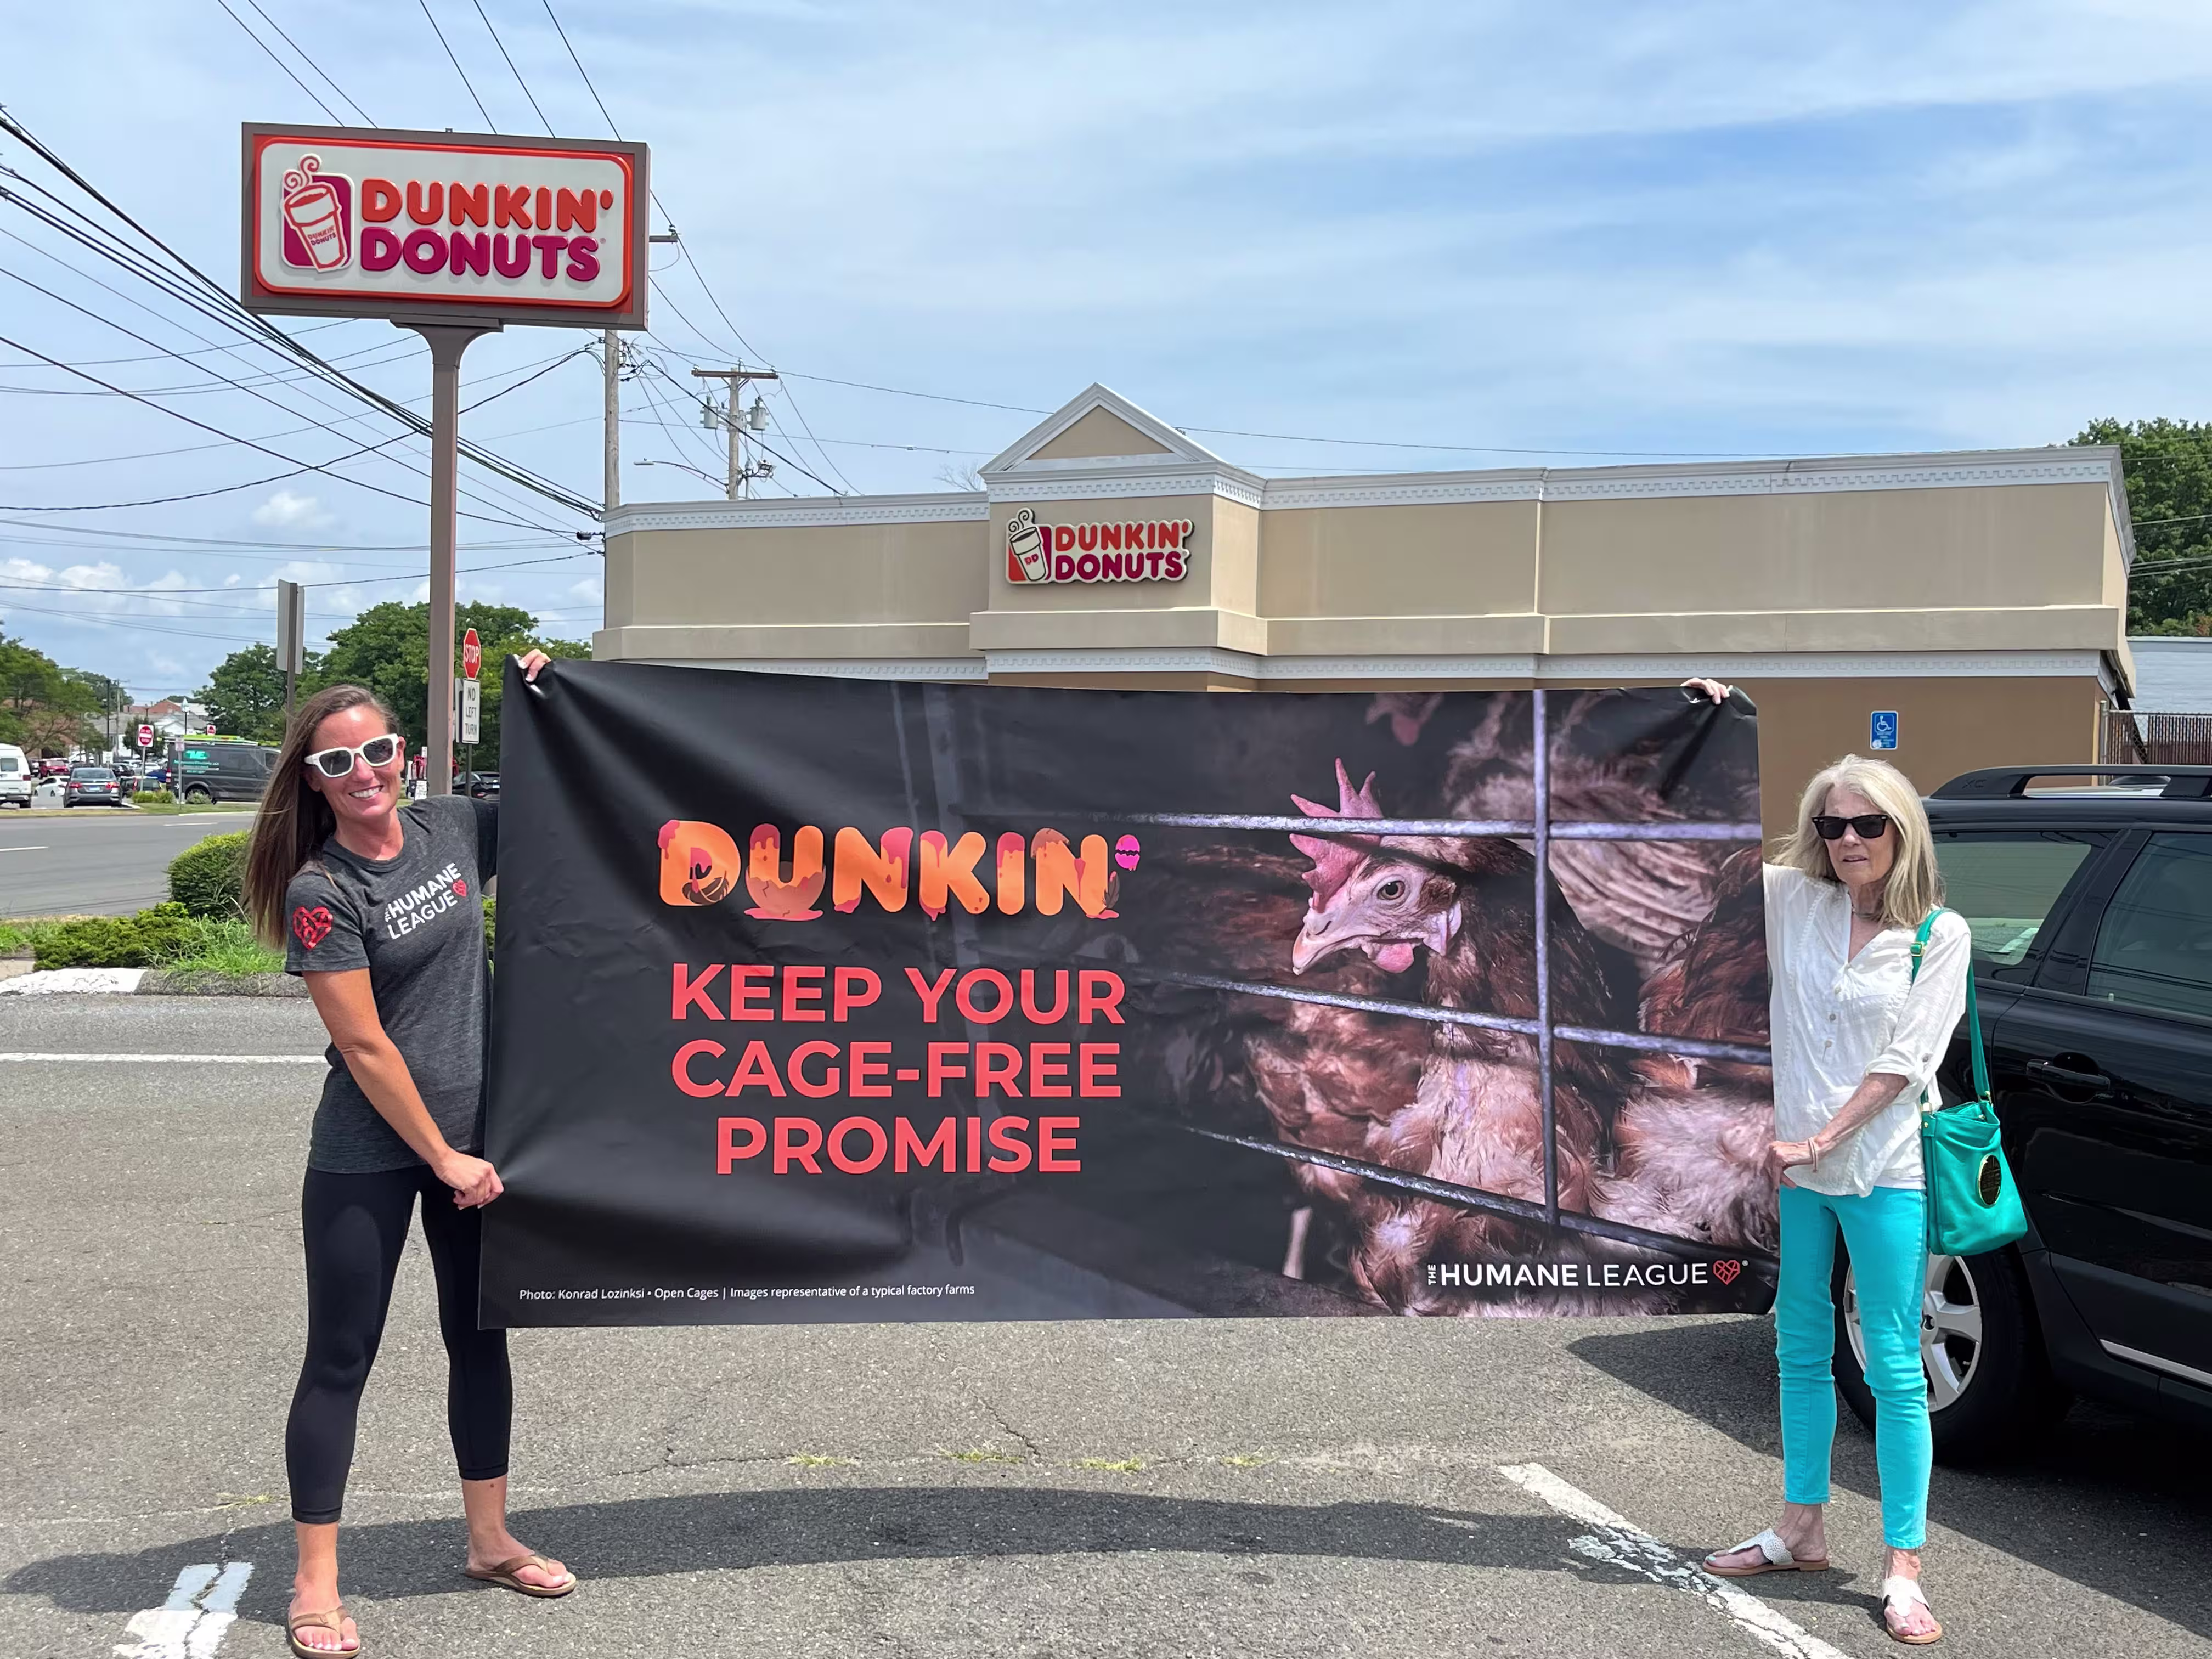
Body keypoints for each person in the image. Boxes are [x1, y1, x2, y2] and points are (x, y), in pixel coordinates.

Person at [242, 669, 571, 1658]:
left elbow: (578, 799)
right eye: (337, 761)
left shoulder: (453, 829)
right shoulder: (321, 891)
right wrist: (445, 1156)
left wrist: (558, 703)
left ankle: (489, 1539)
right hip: (373, 1154)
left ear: (405, 755)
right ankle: (314, 1582)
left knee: (480, 1341)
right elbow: (368, 1046)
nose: (363, 772)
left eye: (377, 751)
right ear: (312, 779)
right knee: (342, 1357)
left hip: (477, 1143)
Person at [1683, 679, 1966, 1647]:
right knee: (1798, 1351)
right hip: (1800, 1175)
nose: (1850, 840)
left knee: (1892, 1365)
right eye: (1834, 824)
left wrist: (1817, 1139)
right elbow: (1708, 849)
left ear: (1903, 833)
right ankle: (1799, 1527)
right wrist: (1717, 725)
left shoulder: (1939, 934)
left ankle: (1902, 1567)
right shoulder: (1795, 902)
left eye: (1870, 825)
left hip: (1882, 1170)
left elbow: (1906, 1063)